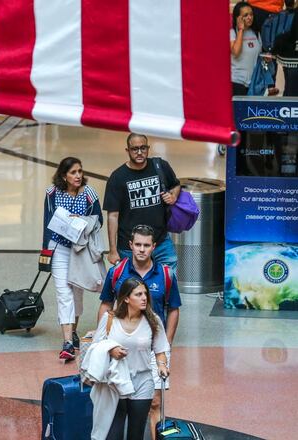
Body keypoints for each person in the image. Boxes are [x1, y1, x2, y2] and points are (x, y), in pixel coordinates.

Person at [96, 225, 182, 440]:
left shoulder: (165, 274)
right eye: (138, 245)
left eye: (146, 245)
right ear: (130, 245)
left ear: (154, 247)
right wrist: (104, 341)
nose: (142, 250)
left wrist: (166, 346)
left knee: (155, 402)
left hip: (152, 345)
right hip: (120, 345)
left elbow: (173, 309)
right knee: (117, 406)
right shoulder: (117, 272)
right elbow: (106, 304)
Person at [92, 277, 170, 440]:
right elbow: (95, 346)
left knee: (136, 433)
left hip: (142, 382)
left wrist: (162, 365)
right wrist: (111, 349)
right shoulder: (109, 319)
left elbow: (160, 349)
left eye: (145, 294)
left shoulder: (153, 320)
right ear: (126, 298)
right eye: (138, 294)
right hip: (115, 382)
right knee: (114, 434)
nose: (144, 298)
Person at [42, 157, 103, 361]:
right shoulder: (52, 193)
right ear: (63, 175)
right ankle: (67, 342)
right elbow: (47, 222)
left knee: (77, 292)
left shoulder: (89, 193)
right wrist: (45, 251)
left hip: (80, 250)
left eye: (80, 171)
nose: (78, 176)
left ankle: (73, 330)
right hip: (59, 248)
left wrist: (81, 221)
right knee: (63, 294)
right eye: (73, 172)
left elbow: (99, 220)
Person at [103, 133, 180, 271]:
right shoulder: (117, 177)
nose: (139, 152)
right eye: (135, 149)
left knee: (168, 282)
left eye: (143, 148)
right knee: (135, 289)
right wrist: (113, 250)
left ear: (148, 148)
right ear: (127, 150)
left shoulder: (160, 166)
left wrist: (173, 196)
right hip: (130, 246)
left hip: (160, 241)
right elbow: (113, 216)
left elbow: (176, 185)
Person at [231, 2, 264, 96]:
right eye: (245, 15)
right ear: (238, 18)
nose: (250, 17)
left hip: (253, 82)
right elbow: (236, 52)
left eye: (251, 14)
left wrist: (265, 58)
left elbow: (258, 54)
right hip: (237, 82)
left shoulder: (256, 33)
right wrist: (241, 29)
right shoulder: (232, 33)